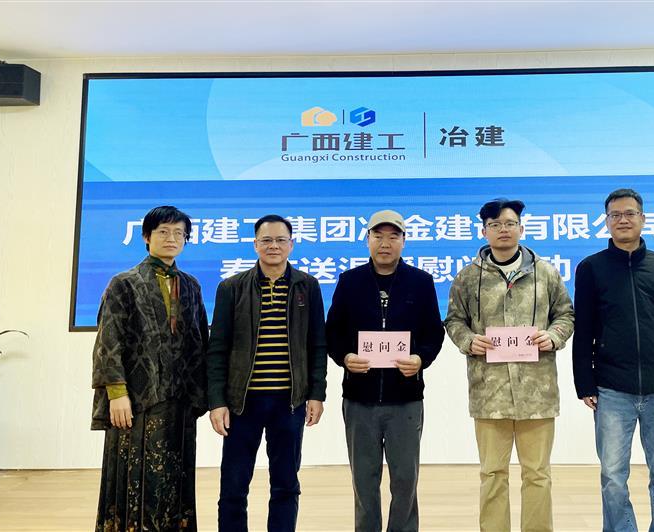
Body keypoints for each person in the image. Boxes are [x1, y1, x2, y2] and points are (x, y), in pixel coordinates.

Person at [572, 188, 654, 532]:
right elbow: (583, 330)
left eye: (630, 214)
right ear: (606, 222)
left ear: (643, 219)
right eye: (615, 215)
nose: (623, 220)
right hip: (612, 389)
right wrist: (585, 383)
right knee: (613, 476)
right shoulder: (591, 268)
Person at [444, 198, 575, 532]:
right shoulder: (468, 277)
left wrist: (553, 336)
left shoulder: (545, 273)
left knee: (537, 474)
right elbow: (455, 320)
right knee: (492, 473)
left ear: (521, 228)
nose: (503, 230)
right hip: (490, 392)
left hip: (537, 392)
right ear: (484, 231)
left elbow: (565, 314)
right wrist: (468, 340)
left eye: (509, 223)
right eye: (495, 224)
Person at [206, 214, 328, 531]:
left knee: (286, 484)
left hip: (289, 403)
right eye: (267, 240)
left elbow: (317, 344)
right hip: (241, 404)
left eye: (280, 240)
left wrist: (317, 394)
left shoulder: (307, 286)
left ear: (291, 244)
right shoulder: (231, 288)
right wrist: (217, 401)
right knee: (233, 487)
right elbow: (217, 348)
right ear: (255, 244)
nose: (274, 246)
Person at [325, 209, 444, 532]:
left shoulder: (421, 282)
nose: (385, 243)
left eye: (393, 236)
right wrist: (345, 356)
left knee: (405, 479)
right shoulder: (350, 281)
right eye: (378, 236)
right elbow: (332, 332)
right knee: (364, 480)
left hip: (405, 399)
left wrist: (420, 359)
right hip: (359, 399)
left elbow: (434, 333)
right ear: (367, 240)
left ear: (404, 241)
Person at [91, 205, 209, 531]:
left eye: (179, 233)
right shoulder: (124, 283)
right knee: (132, 478)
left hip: (180, 402)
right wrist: (116, 394)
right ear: (146, 236)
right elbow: (108, 342)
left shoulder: (191, 285)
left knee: (176, 478)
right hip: (136, 399)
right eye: (163, 232)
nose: (172, 238)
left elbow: (201, 341)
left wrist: (206, 396)